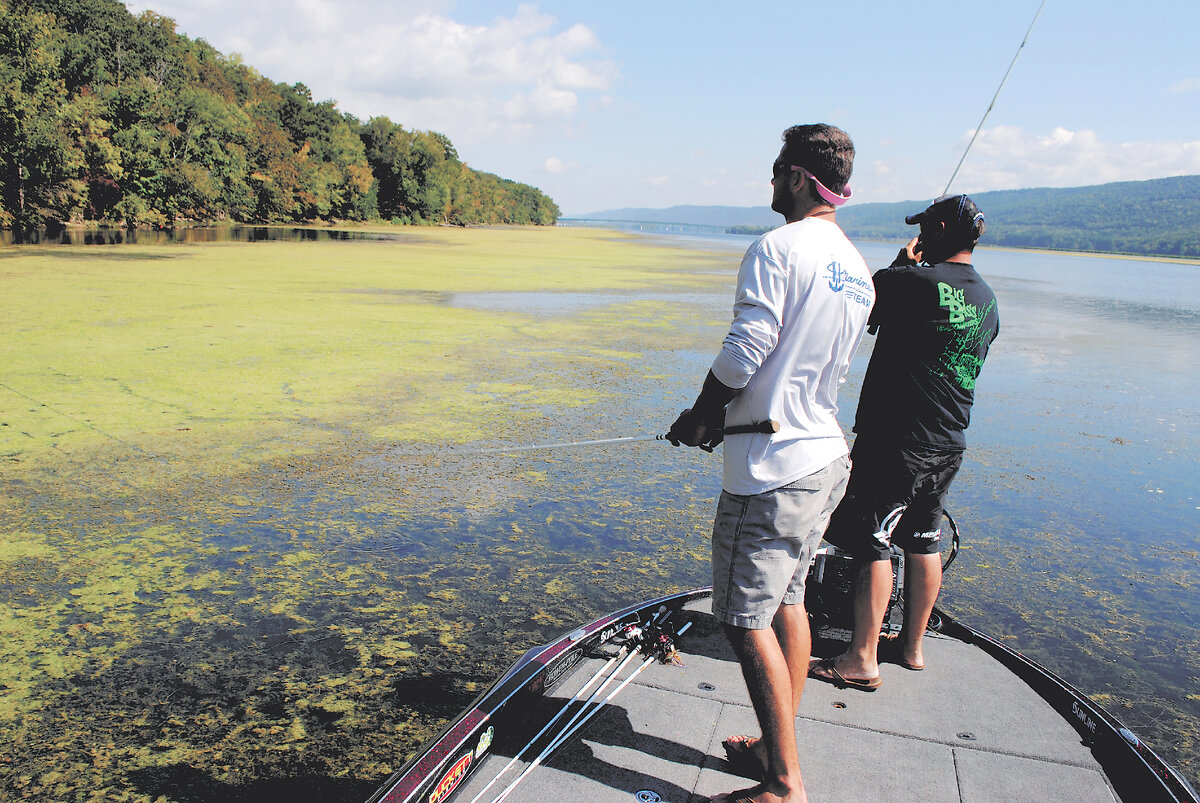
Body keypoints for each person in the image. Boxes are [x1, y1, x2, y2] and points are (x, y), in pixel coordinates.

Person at [668, 124, 874, 803]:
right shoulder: (857, 269)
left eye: (775, 170)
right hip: (824, 460)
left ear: (794, 177)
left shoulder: (777, 249)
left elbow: (745, 348)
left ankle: (785, 783)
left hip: (771, 469)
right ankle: (770, 748)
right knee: (789, 599)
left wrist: (701, 414)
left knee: (742, 616)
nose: (768, 183)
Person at [808, 194, 999, 690]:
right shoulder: (988, 300)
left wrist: (897, 264)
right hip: (949, 438)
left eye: (924, 228)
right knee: (923, 538)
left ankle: (861, 659)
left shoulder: (913, 282)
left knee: (871, 540)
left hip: (898, 439)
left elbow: (857, 306)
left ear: (936, 229)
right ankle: (912, 648)